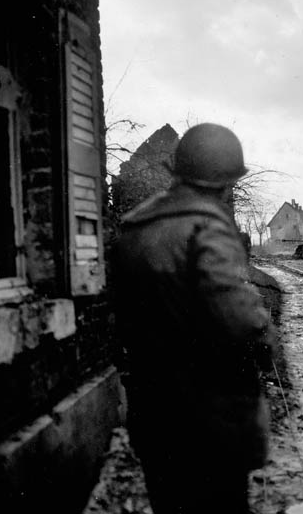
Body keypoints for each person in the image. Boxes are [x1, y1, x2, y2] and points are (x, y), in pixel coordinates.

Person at [112, 123, 273, 513]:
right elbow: (240, 321)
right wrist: (266, 341)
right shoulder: (207, 226)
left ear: (178, 171)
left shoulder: (133, 227)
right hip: (210, 413)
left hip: (153, 406)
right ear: (226, 181)